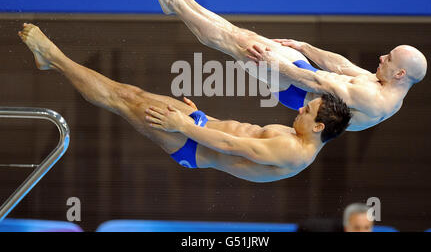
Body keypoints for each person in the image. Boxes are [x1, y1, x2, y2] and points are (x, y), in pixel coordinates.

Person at [18, 23, 351, 183]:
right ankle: (53, 60)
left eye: (307, 110)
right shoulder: (297, 137)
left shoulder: (294, 152)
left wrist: (184, 125)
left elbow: (230, 144)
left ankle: (53, 58)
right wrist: (197, 117)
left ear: (320, 126)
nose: (300, 108)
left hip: (192, 144)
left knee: (121, 100)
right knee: (131, 93)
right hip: (197, 126)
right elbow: (233, 132)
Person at [146, 0, 427, 131]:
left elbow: (317, 81)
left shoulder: (374, 99)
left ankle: (177, 5)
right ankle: (181, 2)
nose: (381, 57)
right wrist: (304, 46)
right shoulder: (382, 83)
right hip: (305, 75)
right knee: (242, 35)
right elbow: (342, 67)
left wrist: (275, 65)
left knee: (235, 43)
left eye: (388, 59)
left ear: (401, 73)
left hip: (296, 87)